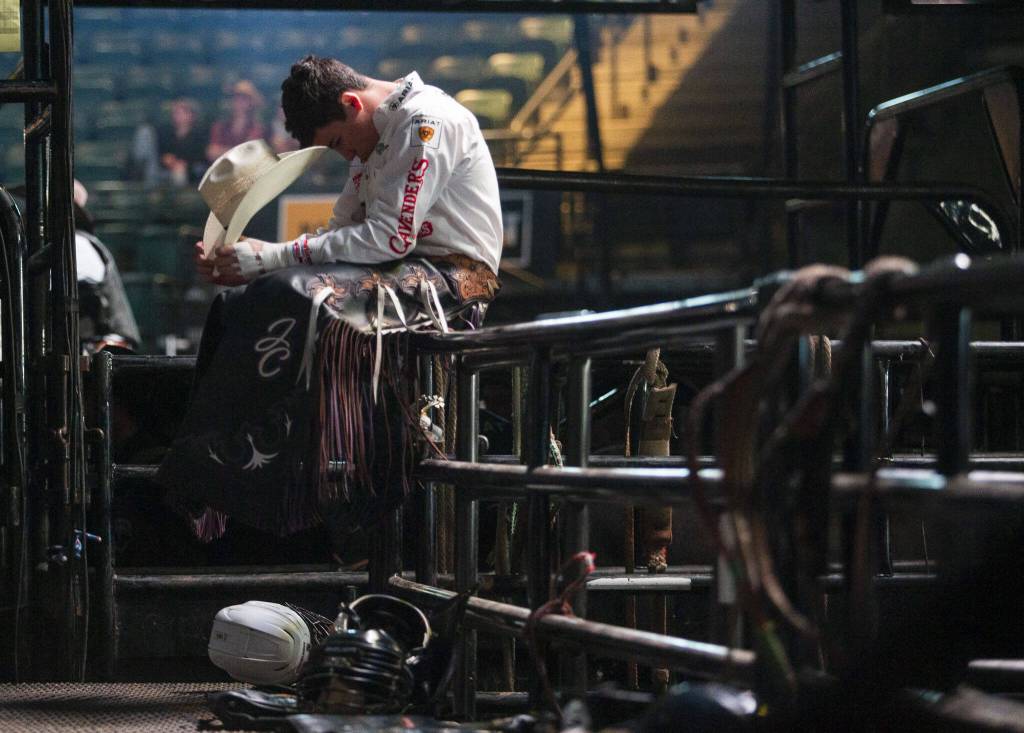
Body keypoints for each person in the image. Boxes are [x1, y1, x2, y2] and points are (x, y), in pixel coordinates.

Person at [156, 57, 502, 543]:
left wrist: (272, 258)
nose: (345, 155)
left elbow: (389, 238)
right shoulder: (375, 136)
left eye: (338, 142)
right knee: (244, 302)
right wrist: (254, 263)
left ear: (351, 104)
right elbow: (344, 232)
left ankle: (307, 479)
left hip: (453, 277)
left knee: (288, 291)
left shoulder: (425, 123)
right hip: (397, 271)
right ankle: (214, 467)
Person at [206, 80, 267, 163]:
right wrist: (239, 151)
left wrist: (224, 151)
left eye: (244, 98)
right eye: (236, 98)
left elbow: (252, 155)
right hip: (223, 170)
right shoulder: (220, 125)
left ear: (251, 103)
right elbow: (212, 152)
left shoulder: (257, 127)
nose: (239, 102)